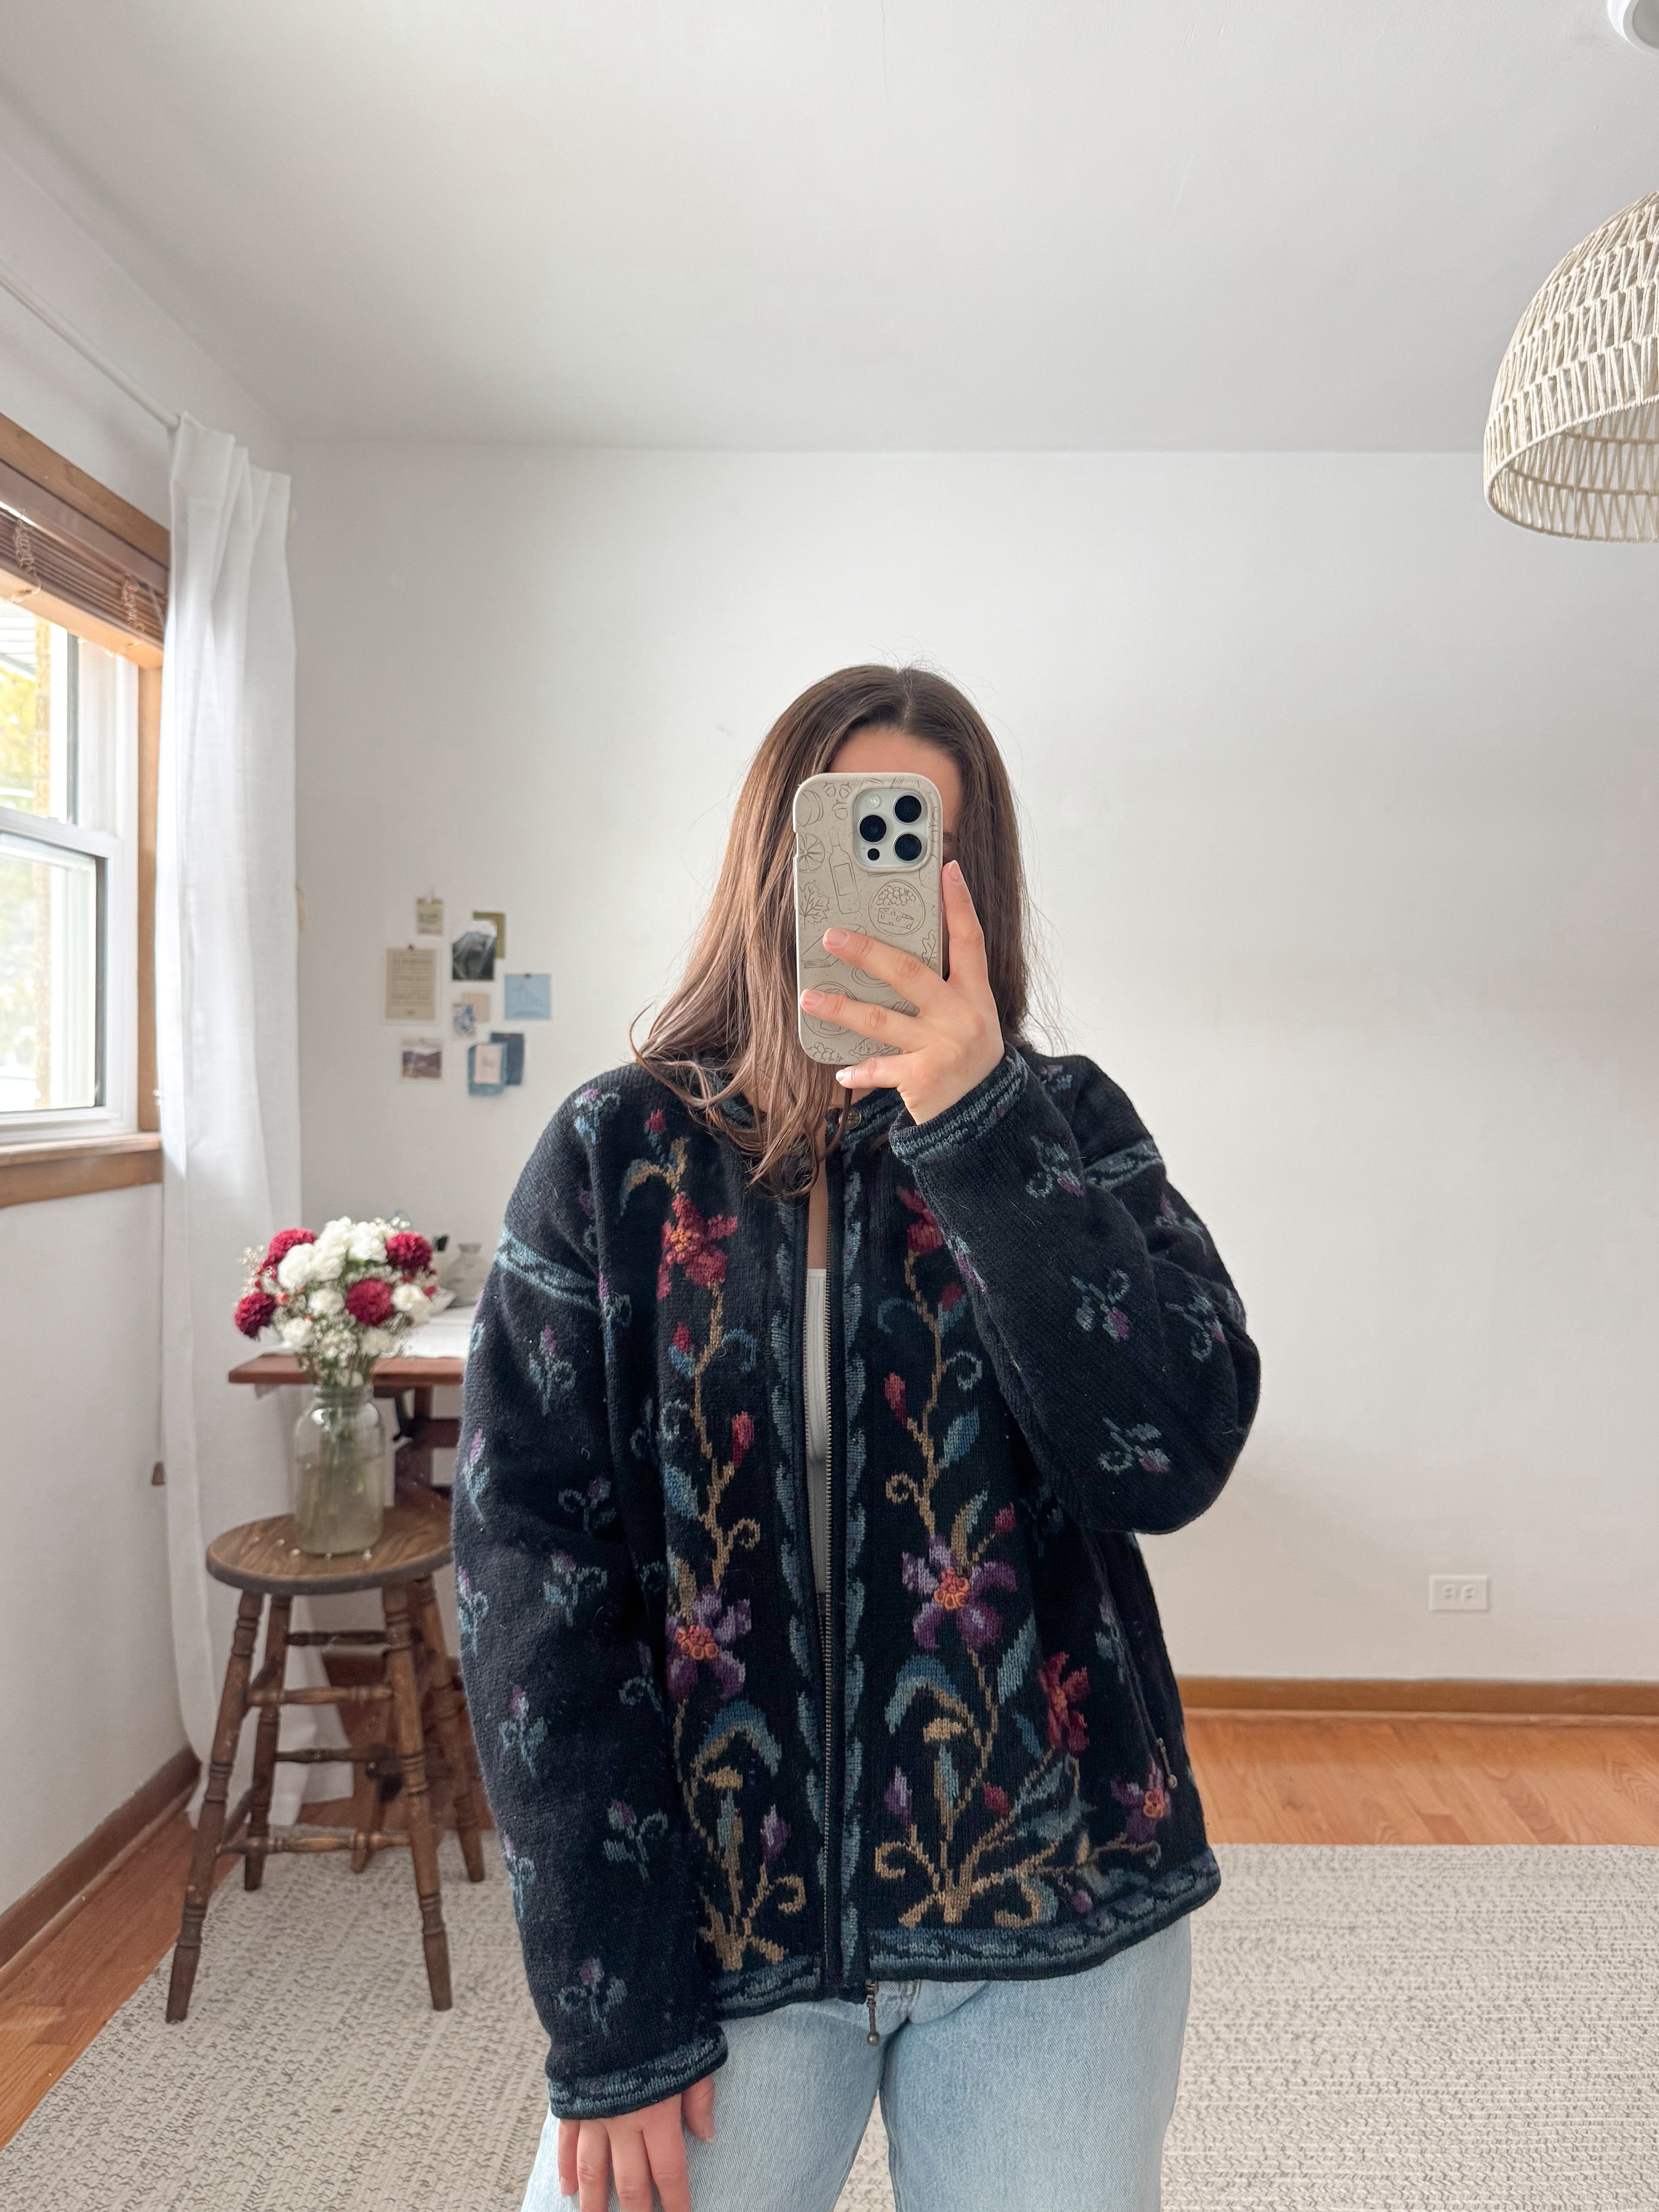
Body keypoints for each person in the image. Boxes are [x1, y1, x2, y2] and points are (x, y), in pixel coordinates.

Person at [454, 665, 1260, 2212]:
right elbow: (529, 1579)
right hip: (712, 1924)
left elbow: (1171, 1453)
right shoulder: (617, 1154)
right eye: (851, 838)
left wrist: (982, 1129)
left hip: (1056, 1903)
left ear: (976, 887)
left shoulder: (1067, 1126)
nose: (884, 890)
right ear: (776, 865)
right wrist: (610, 2003)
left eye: (926, 847)